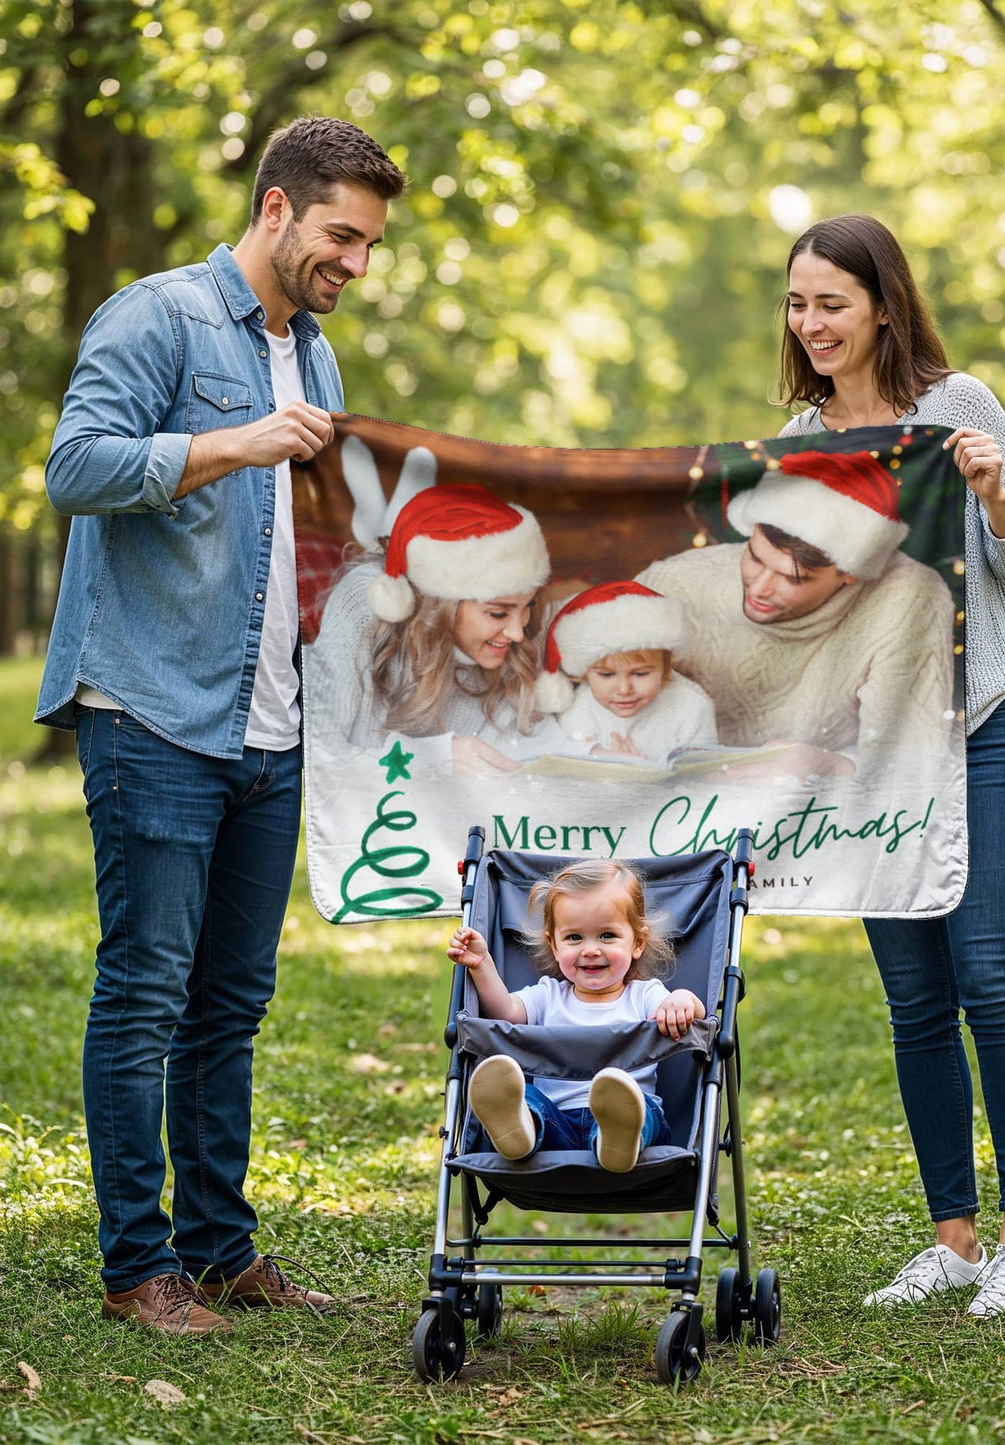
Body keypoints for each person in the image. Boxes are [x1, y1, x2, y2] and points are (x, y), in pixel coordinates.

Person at [34, 117, 406, 1333]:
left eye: (368, 245)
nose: (354, 262)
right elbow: (76, 468)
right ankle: (136, 1266)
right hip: (151, 707)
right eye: (340, 236)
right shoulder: (156, 318)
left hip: (271, 723)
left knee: (231, 1000)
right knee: (144, 987)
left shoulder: (321, 359)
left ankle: (219, 1247)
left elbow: (305, 538)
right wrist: (230, 442)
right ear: (275, 210)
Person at [774, 213, 1005, 1316]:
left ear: (882, 303)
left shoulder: (959, 405)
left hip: (980, 729)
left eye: (830, 304)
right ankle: (949, 1239)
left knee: (991, 975)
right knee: (912, 999)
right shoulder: (796, 447)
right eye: (797, 306)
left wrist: (991, 494)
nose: (811, 326)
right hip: (871, 762)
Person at [638, 446, 955, 786]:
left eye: (793, 578)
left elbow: (912, 767)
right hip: (672, 809)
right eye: (755, 558)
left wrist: (830, 766)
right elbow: (580, 679)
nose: (759, 588)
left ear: (851, 572)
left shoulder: (906, 596)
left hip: (814, 820)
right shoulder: (677, 582)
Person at [447, 859, 705, 1172]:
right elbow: (507, 1015)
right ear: (553, 945)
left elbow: (693, 1013)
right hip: (558, 1122)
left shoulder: (645, 995)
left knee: (643, 1109)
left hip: (634, 1120)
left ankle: (616, 1138)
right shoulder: (548, 994)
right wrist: (482, 964)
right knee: (527, 1097)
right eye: (574, 938)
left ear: (637, 942)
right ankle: (520, 1129)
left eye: (607, 935)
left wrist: (682, 999)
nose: (591, 950)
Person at [305, 482, 555, 776]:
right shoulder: (368, 601)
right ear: (442, 604)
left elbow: (524, 749)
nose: (517, 633)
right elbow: (319, 751)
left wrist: (592, 752)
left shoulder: (506, 648)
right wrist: (438, 758)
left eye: (528, 607)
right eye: (498, 613)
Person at [532, 581, 718, 762]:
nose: (624, 689)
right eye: (606, 675)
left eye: (640, 674)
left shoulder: (693, 707)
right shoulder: (578, 712)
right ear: (585, 673)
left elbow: (704, 778)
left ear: (665, 667)